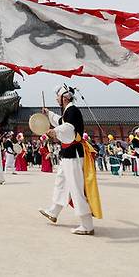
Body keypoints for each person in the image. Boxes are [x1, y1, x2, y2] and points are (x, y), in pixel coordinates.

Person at [38, 84, 102, 236]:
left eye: (57, 97)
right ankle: (54, 211)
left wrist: (55, 131)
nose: (56, 99)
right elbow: (61, 121)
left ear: (64, 98)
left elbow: (68, 128)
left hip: (74, 153)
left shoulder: (72, 110)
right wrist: (49, 114)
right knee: (61, 182)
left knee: (75, 187)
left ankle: (87, 224)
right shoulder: (69, 111)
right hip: (68, 153)